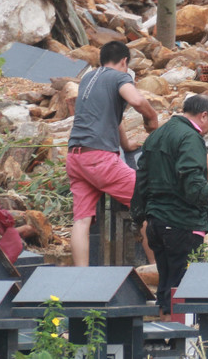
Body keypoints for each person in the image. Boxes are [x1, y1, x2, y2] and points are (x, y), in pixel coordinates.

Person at [130, 94, 208, 316]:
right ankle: (176, 340)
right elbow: (192, 181)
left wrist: (138, 216)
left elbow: (141, 179)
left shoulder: (156, 135)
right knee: (180, 286)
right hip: (181, 223)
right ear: (204, 115)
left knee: (166, 283)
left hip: (156, 225)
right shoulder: (190, 137)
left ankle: (164, 335)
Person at [66, 41, 160, 267]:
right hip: (99, 159)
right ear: (124, 62)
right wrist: (153, 120)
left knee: (81, 220)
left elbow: (111, 118)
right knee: (150, 203)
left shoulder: (89, 78)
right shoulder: (120, 77)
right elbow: (137, 100)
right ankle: (156, 270)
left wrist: (125, 145)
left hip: (75, 157)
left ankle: (81, 278)